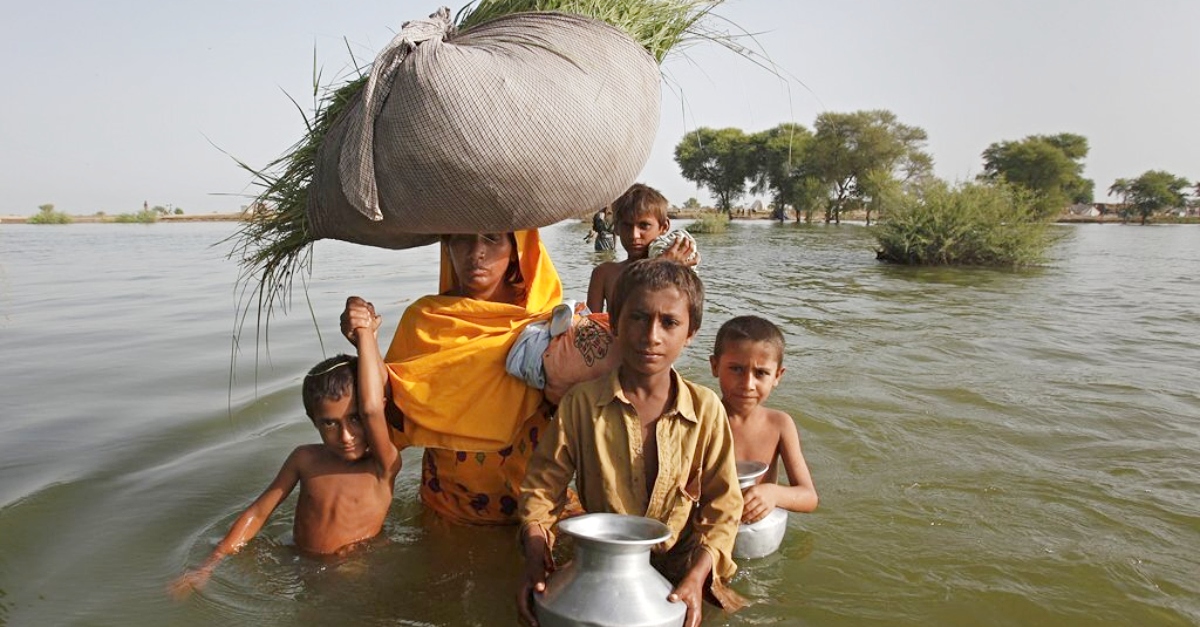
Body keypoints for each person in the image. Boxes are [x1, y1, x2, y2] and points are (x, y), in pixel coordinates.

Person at [518, 259, 744, 627]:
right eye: (638, 318)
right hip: (602, 566)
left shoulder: (706, 410)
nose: (651, 335)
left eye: (669, 322)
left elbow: (723, 507)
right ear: (615, 323)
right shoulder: (581, 404)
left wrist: (698, 575)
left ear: (691, 332)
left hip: (683, 567)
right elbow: (541, 490)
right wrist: (534, 554)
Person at [340, 230, 566, 525]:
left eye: (493, 238)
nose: (477, 252)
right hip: (446, 504)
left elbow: (577, 419)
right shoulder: (425, 320)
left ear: (517, 248)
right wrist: (365, 338)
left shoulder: (548, 323)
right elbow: (391, 411)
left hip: (536, 508)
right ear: (447, 246)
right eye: (462, 238)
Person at [170, 316, 400, 598]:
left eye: (354, 419)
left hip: (358, 571)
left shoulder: (383, 465)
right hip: (298, 566)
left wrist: (366, 334)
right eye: (330, 423)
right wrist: (209, 565)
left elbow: (373, 409)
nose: (346, 435)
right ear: (312, 421)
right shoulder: (304, 460)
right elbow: (257, 513)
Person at [710, 315, 818, 522]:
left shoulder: (779, 425)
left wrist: (773, 493)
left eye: (760, 373)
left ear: (777, 376)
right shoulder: (703, 418)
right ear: (715, 366)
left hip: (759, 533)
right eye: (736, 369)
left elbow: (809, 497)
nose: (747, 384)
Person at [586, 183, 697, 313]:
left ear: (664, 227)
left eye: (644, 225)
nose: (634, 235)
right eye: (627, 226)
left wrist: (666, 269)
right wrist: (659, 267)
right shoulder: (604, 274)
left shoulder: (679, 271)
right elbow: (589, 327)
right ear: (616, 228)